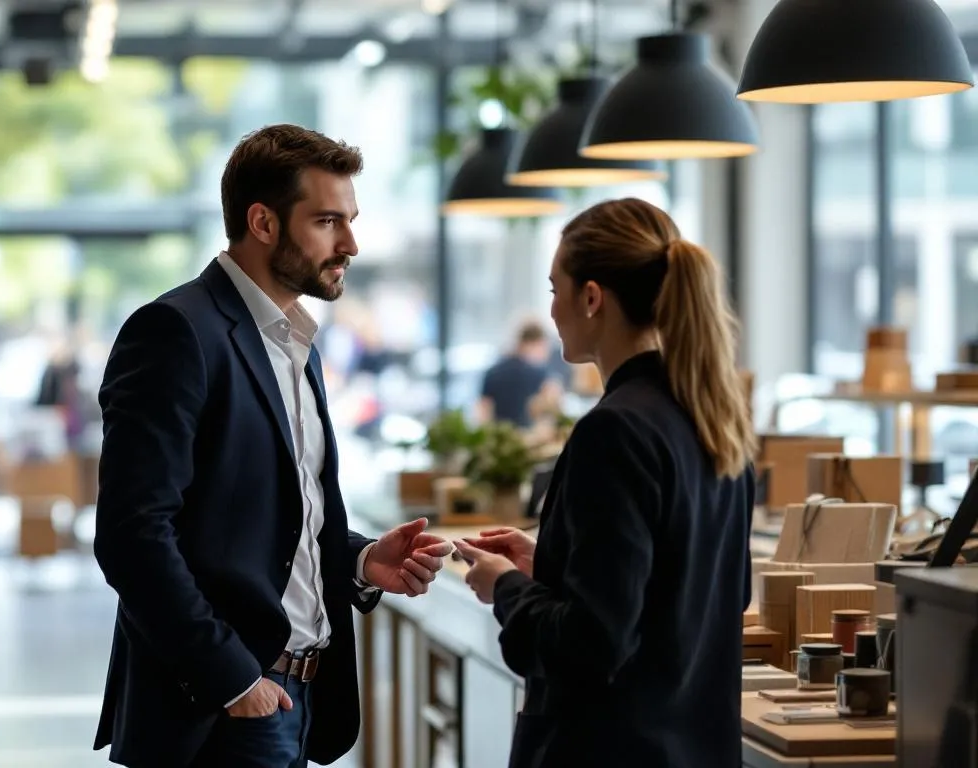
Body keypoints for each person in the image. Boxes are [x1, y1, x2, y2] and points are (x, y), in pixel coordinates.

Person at [92, 124, 454, 768]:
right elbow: (132, 534)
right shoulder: (176, 332)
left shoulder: (295, 345)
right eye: (327, 221)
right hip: (219, 707)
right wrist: (231, 679)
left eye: (350, 220)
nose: (350, 244)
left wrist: (363, 560)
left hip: (298, 698)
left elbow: (265, 518)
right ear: (262, 222)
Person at [453, 198, 757, 768]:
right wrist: (551, 567)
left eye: (553, 290)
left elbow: (592, 647)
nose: (551, 311)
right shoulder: (716, 421)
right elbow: (709, 593)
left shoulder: (614, 431)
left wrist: (507, 588)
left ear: (591, 298)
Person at [476, 320, 562, 427]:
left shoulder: (493, 371)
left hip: (500, 436)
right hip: (528, 438)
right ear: (536, 343)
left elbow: (483, 412)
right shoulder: (538, 373)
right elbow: (552, 407)